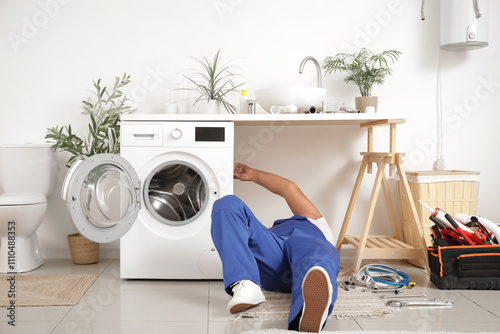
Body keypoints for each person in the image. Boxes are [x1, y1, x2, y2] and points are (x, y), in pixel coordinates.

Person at [210, 163, 340, 332]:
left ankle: (306, 309)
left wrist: (253, 174)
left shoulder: (313, 221)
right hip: (274, 259)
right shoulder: (271, 234)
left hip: (308, 252)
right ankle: (247, 283)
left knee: (314, 257)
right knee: (227, 203)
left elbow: (288, 188)